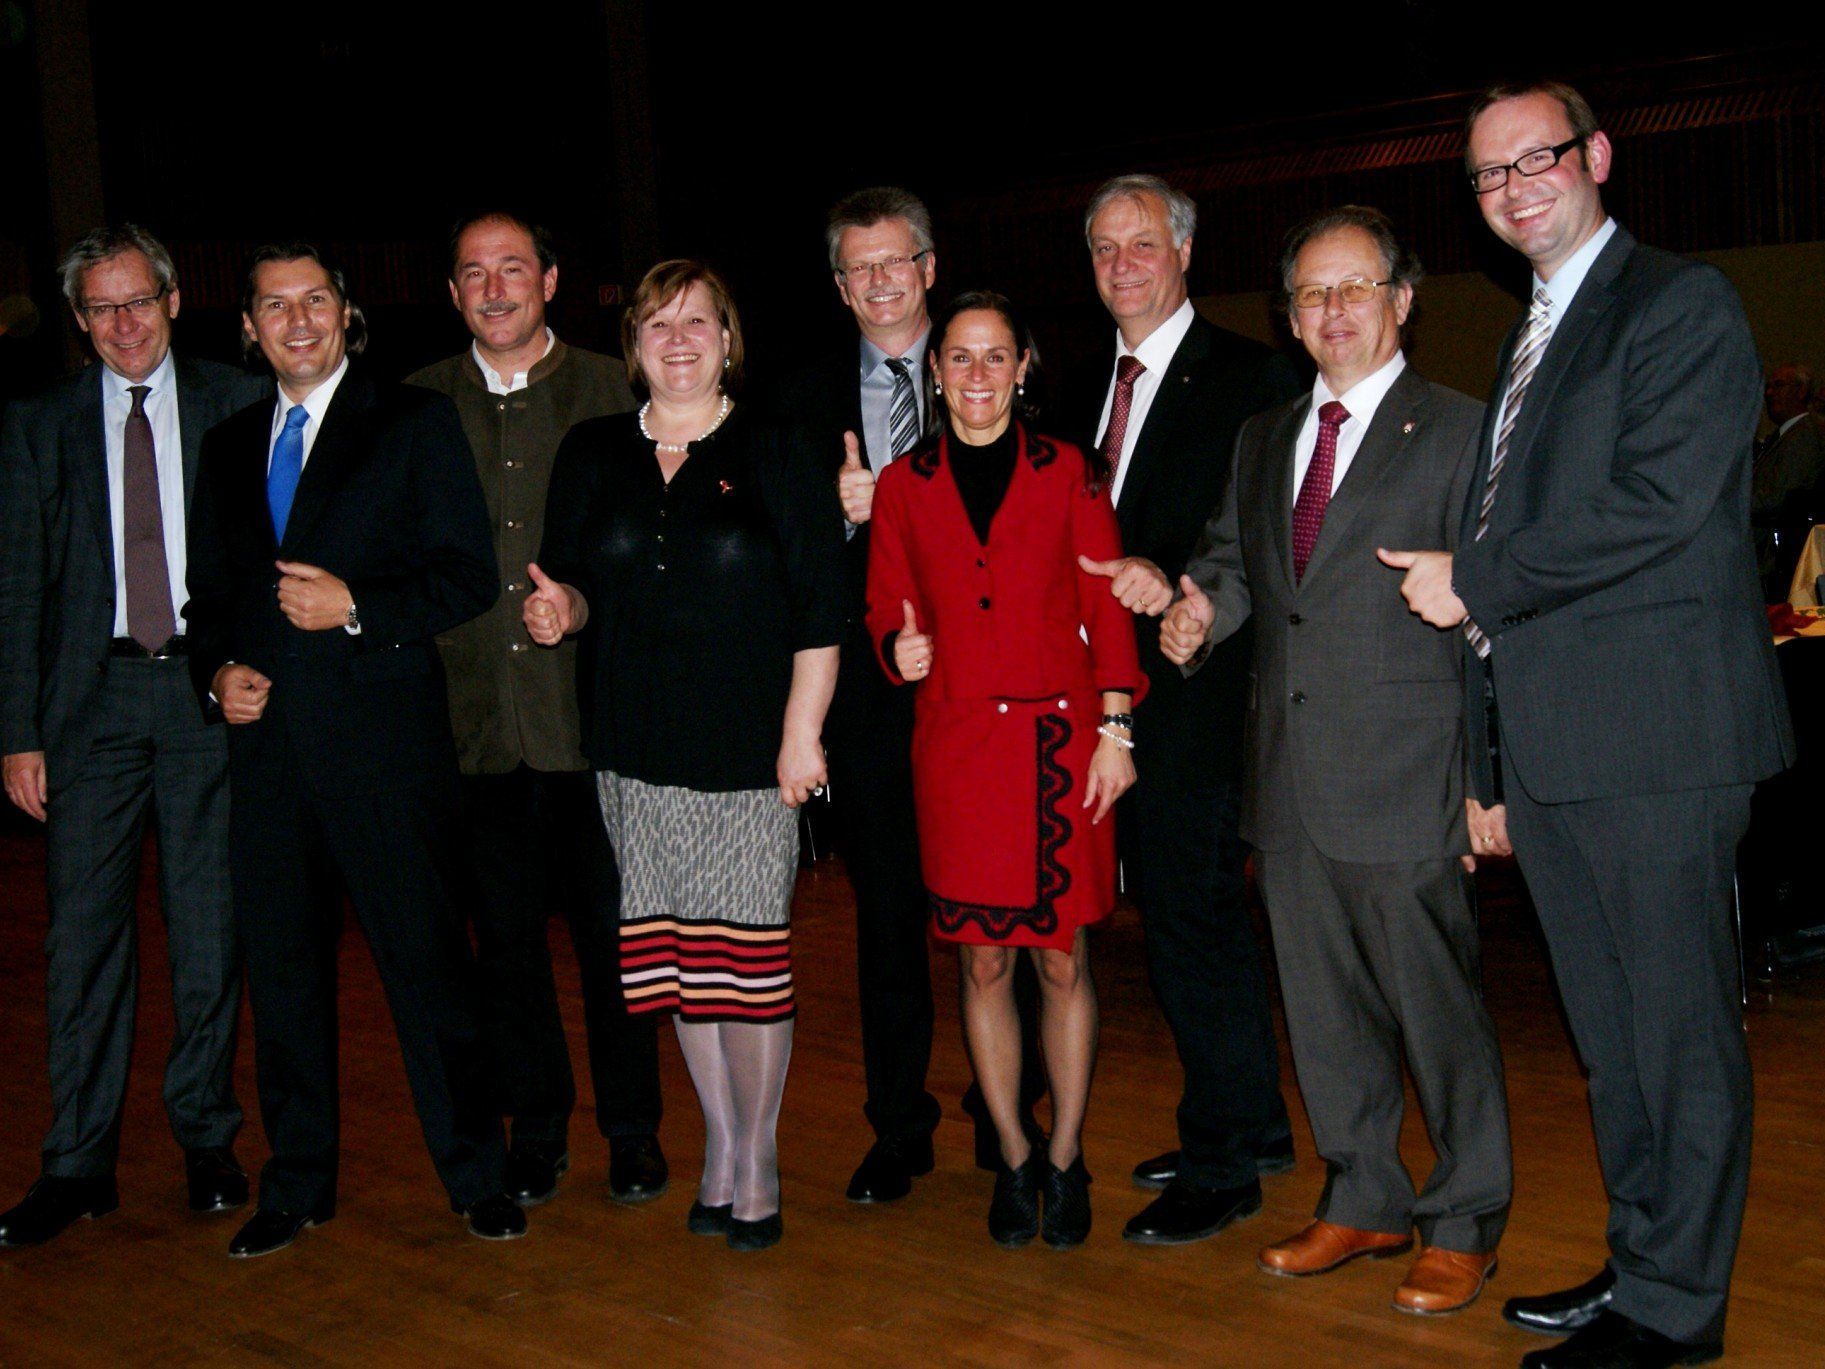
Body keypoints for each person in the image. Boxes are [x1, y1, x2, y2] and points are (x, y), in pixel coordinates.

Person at [1382, 81, 1794, 1367]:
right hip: (1562, 750)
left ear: (1597, 157)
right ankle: (1641, 1262)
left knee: (1672, 1038)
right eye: (1487, 174)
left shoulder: (1679, 303)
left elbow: (1664, 504)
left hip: (1658, 740)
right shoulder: (1534, 330)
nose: (1513, 187)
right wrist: (1491, 759)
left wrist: (1473, 577)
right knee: (1612, 1045)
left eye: (1536, 159)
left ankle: (1678, 1306)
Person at [1160, 206, 1512, 1315]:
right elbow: (1235, 565)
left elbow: (1503, 614)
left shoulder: (1463, 429)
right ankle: (1362, 1193)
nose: (1331, 310)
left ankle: (1462, 1218)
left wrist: (1484, 783)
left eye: (1354, 288)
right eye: (1311, 294)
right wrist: (1197, 613)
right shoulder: (1266, 435)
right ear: (1289, 315)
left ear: (1401, 300)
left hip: (1412, 777)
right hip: (1289, 778)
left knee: (1435, 1015)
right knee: (1320, 1010)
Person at [184, 243, 523, 1257]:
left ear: (347, 313)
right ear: (247, 326)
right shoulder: (229, 443)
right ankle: (297, 1183)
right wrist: (216, 674)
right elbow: (211, 600)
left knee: (427, 971)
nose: (297, 320)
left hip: (385, 752)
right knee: (283, 978)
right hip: (270, 757)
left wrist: (359, 609)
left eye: (315, 300)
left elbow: (468, 577)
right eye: (273, 305)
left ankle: (477, 1174)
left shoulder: (413, 422)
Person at [526, 260, 843, 1252]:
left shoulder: (778, 446)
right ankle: (720, 1147)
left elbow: (821, 610)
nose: (676, 339)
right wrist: (557, 608)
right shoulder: (590, 452)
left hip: (750, 761)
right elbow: (574, 584)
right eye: (656, 323)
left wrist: (801, 735)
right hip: (633, 755)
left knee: (746, 970)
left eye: (695, 321)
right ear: (634, 345)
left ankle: (757, 1158)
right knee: (683, 970)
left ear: (726, 337)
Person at [767, 187, 1044, 1202]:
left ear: (928, 267)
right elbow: (788, 560)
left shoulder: (991, 363)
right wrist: (846, 521)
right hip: (873, 702)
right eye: (858, 268)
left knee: (1003, 918)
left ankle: (1005, 1113)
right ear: (840, 287)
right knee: (886, 922)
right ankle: (899, 1126)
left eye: (897, 261)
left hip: (998, 696)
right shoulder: (798, 401)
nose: (880, 281)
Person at [0, 225, 262, 1248]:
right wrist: (16, 732)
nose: (123, 323)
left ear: (173, 297)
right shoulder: (35, 424)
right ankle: (77, 1162)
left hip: (204, 695)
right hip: (89, 707)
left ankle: (205, 1135)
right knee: (82, 941)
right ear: (79, 320)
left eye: (138, 301)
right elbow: (17, 584)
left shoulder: (235, 404)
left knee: (208, 929)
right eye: (102, 308)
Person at [865, 290, 1145, 1249]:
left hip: (1062, 747)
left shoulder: (1068, 470)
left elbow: (1109, 609)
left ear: (1023, 367)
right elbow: (884, 604)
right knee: (982, 960)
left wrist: (1118, 728)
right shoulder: (903, 483)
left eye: (995, 356)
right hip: (957, 754)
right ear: (934, 370)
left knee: (1061, 961)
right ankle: (1013, 1156)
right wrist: (891, 649)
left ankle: (1066, 1157)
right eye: (958, 357)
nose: (976, 375)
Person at [407, 211, 666, 1209]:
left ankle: (633, 1129)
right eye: (473, 272)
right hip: (475, 727)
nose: (495, 287)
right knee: (505, 947)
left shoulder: (615, 388)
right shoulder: (420, 404)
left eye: (513, 267)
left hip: (594, 724)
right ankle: (540, 1127)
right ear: (453, 292)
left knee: (616, 941)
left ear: (551, 279)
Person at [1071, 174, 1302, 1246]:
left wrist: (1177, 590)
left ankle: (1222, 1165)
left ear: (1185, 252)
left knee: (1192, 924)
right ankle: (1249, 1121)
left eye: (1143, 244)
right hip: (1112, 699)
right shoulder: (1075, 381)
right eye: (1105, 249)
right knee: (1186, 924)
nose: (1124, 265)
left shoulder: (1255, 378)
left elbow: (1265, 544)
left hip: (1203, 694)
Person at [1751, 362, 1824, 597]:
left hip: (1778, 559)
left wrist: (1727, 502)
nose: (1769, 393)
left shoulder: (1804, 435)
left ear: (1801, 391)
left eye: (1778, 385)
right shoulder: (1784, 435)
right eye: (1768, 386)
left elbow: (1776, 497)